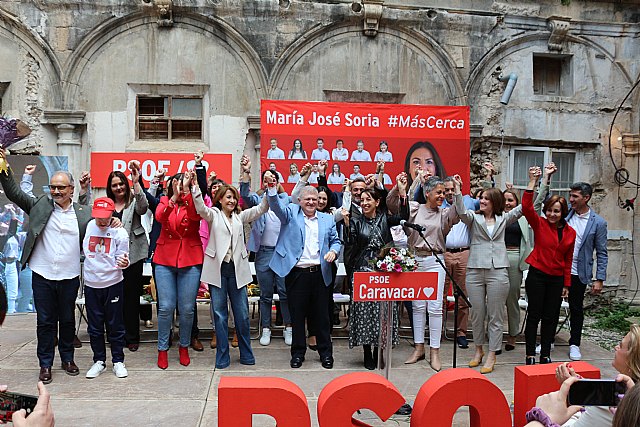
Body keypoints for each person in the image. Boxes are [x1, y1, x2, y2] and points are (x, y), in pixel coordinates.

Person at [0, 149, 92, 384]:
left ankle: (68, 359)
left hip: (70, 275)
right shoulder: (40, 205)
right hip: (42, 274)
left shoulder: (82, 213)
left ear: (71, 189)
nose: (56, 191)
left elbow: (101, 222)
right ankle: (45, 364)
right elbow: (14, 192)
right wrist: (3, 164)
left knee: (67, 320)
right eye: (53, 187)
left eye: (61, 187)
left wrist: (111, 219)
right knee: (45, 322)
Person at [191, 165, 269, 369]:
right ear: (220, 200)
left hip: (237, 271)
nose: (232, 201)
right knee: (219, 314)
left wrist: (269, 190)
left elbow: (261, 209)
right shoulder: (213, 215)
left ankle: (246, 353)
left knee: (242, 314)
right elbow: (200, 207)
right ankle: (222, 355)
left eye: (234, 197)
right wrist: (194, 187)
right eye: (228, 197)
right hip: (218, 270)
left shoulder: (240, 216)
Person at [387, 175, 461, 372]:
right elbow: (392, 204)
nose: (442, 195)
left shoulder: (445, 213)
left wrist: (458, 190)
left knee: (435, 307)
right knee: (418, 306)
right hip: (415, 260)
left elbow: (459, 212)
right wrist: (399, 187)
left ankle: (434, 351)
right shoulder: (414, 208)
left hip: (435, 260)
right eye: (438, 192)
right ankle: (419, 348)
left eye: (444, 192)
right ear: (427, 193)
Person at [536, 164, 608, 362]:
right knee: (550, 307)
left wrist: (599, 278)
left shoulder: (598, 223)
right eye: (571, 196)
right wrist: (547, 179)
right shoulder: (565, 215)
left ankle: (575, 343)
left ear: (586, 198)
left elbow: (602, 252)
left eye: (575, 196)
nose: (571, 199)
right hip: (558, 269)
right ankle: (547, 340)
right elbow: (548, 205)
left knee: (576, 308)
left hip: (580, 271)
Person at [267, 184, 342, 369]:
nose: (311, 202)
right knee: (297, 317)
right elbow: (276, 206)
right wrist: (271, 189)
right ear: (299, 201)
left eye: (314, 199)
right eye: (307, 199)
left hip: (320, 273)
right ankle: (298, 354)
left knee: (323, 317)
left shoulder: (327, 219)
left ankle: (326, 353)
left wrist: (334, 251)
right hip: (297, 274)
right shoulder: (291, 214)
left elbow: (336, 240)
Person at [456, 180, 524, 374]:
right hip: (475, 270)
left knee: (496, 315)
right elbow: (460, 211)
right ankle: (478, 351)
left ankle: (492, 354)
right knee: (477, 314)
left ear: (494, 201)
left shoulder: (504, 218)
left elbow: (525, 208)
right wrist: (459, 190)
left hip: (498, 270)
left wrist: (535, 183)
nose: (482, 200)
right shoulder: (473, 218)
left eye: (486, 198)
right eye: (481, 197)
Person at [343, 174, 408, 369]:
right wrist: (347, 226)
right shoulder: (355, 221)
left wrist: (402, 193)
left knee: (383, 312)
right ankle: (367, 351)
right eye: (361, 200)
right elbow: (350, 246)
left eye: (367, 199)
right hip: (363, 271)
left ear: (377, 201)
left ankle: (381, 348)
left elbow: (404, 217)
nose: (363, 203)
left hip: (383, 271)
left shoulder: (385, 220)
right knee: (364, 313)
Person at [523, 166, 576, 365]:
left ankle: (545, 353)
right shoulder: (540, 224)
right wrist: (534, 181)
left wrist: (566, 284)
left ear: (563, 213)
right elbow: (527, 207)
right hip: (537, 275)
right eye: (550, 211)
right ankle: (530, 353)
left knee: (550, 317)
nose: (552, 215)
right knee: (534, 315)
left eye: (557, 211)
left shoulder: (570, 233)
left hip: (556, 279)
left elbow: (569, 260)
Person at [239, 157, 293, 348]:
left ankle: (288, 327)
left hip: (282, 252)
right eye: (266, 180)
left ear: (278, 183)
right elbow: (244, 195)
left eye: (273, 180)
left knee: (285, 292)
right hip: (263, 252)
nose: (270, 183)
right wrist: (246, 172)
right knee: (266, 294)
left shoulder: (286, 200)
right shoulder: (259, 199)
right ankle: (266, 328)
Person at [153, 172, 203, 369]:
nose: (182, 187)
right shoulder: (165, 200)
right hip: (165, 258)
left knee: (187, 308)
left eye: (185, 184)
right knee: (165, 307)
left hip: (190, 259)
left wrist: (190, 190)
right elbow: (159, 217)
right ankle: (162, 349)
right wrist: (173, 196)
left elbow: (195, 215)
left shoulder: (193, 202)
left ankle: (184, 346)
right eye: (179, 184)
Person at [554, 323, 640, 426]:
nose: (615, 347)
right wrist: (580, 385)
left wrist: (542, 417)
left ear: (632, 360)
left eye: (621, 346)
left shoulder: (614, 403)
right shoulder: (628, 392)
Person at [82, 197, 130, 379]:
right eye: (98, 217)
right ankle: (99, 360)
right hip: (91, 283)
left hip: (113, 283)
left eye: (105, 217)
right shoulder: (89, 226)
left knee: (115, 325)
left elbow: (124, 259)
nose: (102, 221)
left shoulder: (120, 233)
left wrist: (125, 263)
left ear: (112, 213)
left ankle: (118, 360)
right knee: (94, 326)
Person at [105, 163, 149, 353]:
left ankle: (132, 336)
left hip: (134, 255)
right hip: (111, 258)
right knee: (113, 298)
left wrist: (136, 183)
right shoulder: (106, 203)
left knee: (131, 298)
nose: (118, 188)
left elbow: (143, 207)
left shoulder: (133, 200)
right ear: (110, 188)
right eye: (114, 185)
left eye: (121, 184)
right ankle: (115, 335)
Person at [440, 176, 480, 349]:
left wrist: (489, 179)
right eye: (446, 189)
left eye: (452, 189)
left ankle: (461, 332)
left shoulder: (469, 203)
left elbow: (489, 201)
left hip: (463, 253)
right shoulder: (439, 206)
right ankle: (438, 331)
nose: (449, 192)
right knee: (439, 295)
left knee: (462, 295)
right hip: (443, 253)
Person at [503, 188, 534, 351]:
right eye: (505, 200)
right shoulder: (496, 215)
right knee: (494, 300)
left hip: (515, 257)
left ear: (516, 202)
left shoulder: (522, 216)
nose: (507, 203)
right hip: (497, 258)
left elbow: (537, 201)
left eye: (511, 200)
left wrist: (540, 183)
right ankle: (493, 334)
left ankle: (512, 335)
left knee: (512, 299)